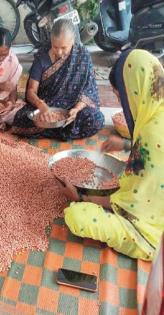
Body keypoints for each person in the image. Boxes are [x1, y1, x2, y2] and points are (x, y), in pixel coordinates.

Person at [61, 49, 164, 261]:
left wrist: (82, 198)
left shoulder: (152, 133)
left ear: (135, 90)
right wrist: (127, 145)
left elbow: (133, 204)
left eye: (121, 96)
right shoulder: (157, 111)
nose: (121, 103)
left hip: (154, 229)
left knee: (77, 217)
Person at [6, 19, 104, 139]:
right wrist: (41, 105)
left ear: (72, 41)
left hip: (73, 107)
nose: (59, 52)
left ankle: (51, 130)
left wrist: (76, 110)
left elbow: (89, 90)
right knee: (23, 117)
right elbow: (31, 91)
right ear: (51, 41)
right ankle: (61, 130)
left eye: (64, 47)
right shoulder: (42, 56)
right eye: (55, 46)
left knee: (96, 119)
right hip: (47, 105)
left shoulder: (82, 56)